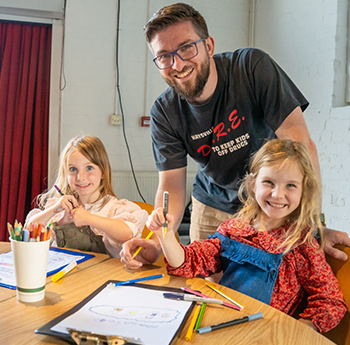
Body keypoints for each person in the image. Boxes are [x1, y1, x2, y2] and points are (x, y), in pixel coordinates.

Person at [120, 3, 350, 268]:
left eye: (186, 48)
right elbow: (171, 185)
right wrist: (161, 238)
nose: (177, 64)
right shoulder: (164, 111)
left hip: (269, 204)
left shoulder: (251, 68)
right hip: (211, 206)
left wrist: (314, 225)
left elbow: (300, 145)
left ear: (209, 46)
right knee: (206, 286)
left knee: (270, 288)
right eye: (163, 56)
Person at [146, 139, 347, 333]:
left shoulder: (302, 244)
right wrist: (165, 235)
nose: (277, 194)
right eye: (269, 182)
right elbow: (187, 262)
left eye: (290, 186)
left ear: (304, 190)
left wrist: (295, 331)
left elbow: (330, 301)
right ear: (253, 183)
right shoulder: (233, 230)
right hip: (221, 323)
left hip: (264, 335)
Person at [25, 135, 148, 258]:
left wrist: (89, 219)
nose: (80, 177)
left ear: (103, 173)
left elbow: (127, 233)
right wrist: (53, 211)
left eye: (89, 168)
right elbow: (28, 232)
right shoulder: (59, 207)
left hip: (101, 275)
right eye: (73, 169)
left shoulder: (113, 208)